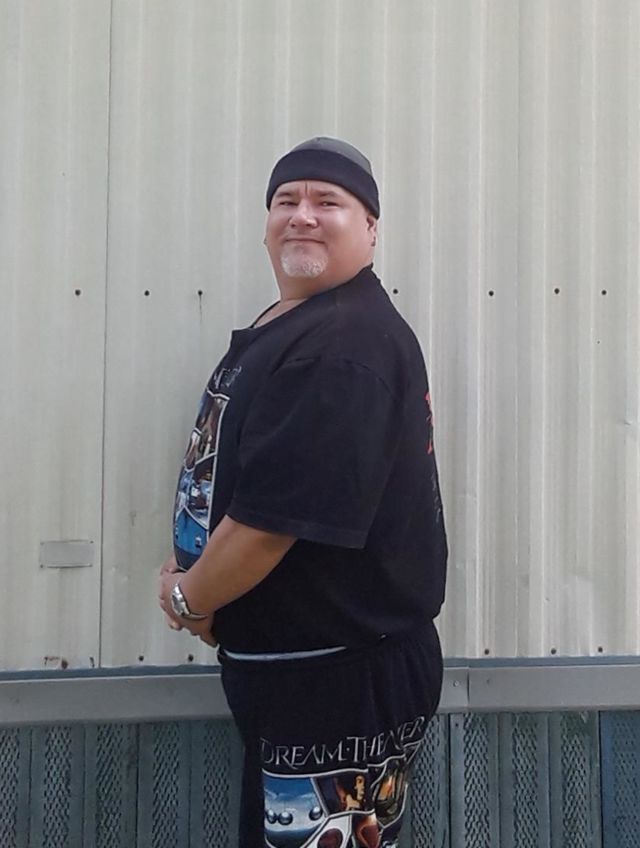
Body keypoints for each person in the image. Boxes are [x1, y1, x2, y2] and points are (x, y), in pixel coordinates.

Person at [159, 136, 447, 848]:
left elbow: (270, 525)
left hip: (337, 680)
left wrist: (192, 596)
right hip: (305, 674)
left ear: (370, 228)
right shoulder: (302, 324)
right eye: (286, 200)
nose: (303, 215)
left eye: (329, 201)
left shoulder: (342, 347)